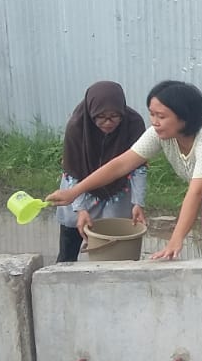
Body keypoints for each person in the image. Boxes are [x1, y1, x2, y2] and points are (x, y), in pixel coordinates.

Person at [47, 80, 202, 259]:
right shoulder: (160, 133)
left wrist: (175, 241)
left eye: (161, 116)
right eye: (151, 114)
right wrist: (74, 191)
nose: (154, 121)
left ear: (185, 118)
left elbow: (197, 192)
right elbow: (122, 163)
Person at [55, 81, 148, 263]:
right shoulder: (77, 126)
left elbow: (138, 166)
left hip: (117, 192)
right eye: (101, 117)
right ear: (90, 114)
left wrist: (138, 203)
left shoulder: (134, 123)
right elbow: (73, 171)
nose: (108, 122)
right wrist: (80, 209)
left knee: (113, 246)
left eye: (114, 116)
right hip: (78, 190)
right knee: (69, 246)